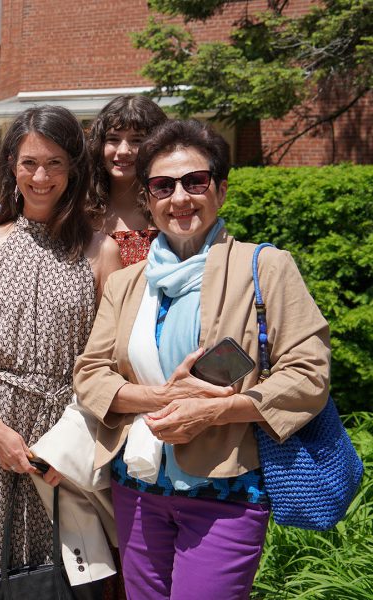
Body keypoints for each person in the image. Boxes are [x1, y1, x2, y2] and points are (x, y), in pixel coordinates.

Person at [74, 120, 331, 600]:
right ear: (148, 198)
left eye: (195, 182)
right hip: (138, 484)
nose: (180, 198)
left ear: (221, 190)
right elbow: (90, 373)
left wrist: (214, 410)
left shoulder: (265, 268)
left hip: (226, 492)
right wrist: (162, 399)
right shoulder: (128, 283)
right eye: (162, 186)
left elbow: (308, 373)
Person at [0, 106, 120, 599]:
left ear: (74, 168)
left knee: (55, 574)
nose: (41, 177)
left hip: (63, 433)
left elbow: (108, 360)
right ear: (11, 167)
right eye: (29, 163)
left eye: (55, 163)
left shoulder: (100, 252)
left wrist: (77, 446)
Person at [86, 95, 168, 266]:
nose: (123, 150)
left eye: (137, 140)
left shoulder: (172, 208)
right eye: (113, 139)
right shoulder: (78, 212)